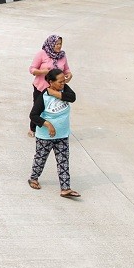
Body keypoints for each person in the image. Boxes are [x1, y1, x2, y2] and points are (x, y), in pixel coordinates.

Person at [28, 68, 81, 198]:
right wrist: (48, 124)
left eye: (64, 81)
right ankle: (33, 178)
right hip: (45, 137)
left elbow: (72, 97)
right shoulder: (44, 97)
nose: (63, 84)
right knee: (41, 159)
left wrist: (56, 93)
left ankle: (65, 188)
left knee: (63, 161)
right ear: (51, 82)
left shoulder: (64, 89)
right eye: (60, 82)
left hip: (62, 135)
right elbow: (33, 115)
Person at [29, 35, 72, 135]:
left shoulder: (62, 56)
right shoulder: (42, 54)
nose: (59, 46)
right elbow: (32, 69)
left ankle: (55, 127)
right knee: (38, 108)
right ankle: (33, 128)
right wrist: (42, 72)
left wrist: (69, 75)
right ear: (51, 44)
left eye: (60, 44)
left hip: (56, 89)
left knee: (53, 108)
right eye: (56, 44)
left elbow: (66, 70)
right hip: (41, 87)